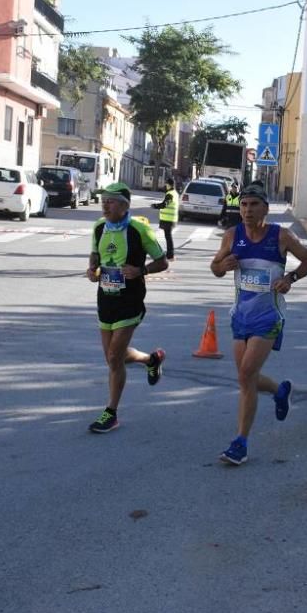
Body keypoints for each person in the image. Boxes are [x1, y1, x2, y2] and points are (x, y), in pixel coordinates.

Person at [210, 184, 307, 465]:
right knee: (247, 378)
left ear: (265, 209)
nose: (246, 210)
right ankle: (280, 390)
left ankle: (240, 443)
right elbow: (215, 268)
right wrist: (224, 266)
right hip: (240, 315)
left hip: (268, 316)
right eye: (243, 205)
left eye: (253, 205)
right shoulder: (233, 236)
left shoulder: (281, 236)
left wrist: (290, 279)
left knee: (246, 373)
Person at [86, 183, 169, 433]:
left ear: (124, 205)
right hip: (105, 299)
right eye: (104, 201)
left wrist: (140, 270)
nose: (105, 205)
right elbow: (94, 257)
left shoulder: (139, 229)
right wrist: (92, 270)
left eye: (110, 201)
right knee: (114, 357)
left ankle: (111, 412)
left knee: (114, 357)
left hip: (130, 300)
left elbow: (162, 261)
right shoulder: (99, 227)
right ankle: (150, 359)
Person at [150, 180, 178, 260]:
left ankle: (170, 255)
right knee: (168, 236)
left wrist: (155, 206)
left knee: (168, 237)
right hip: (170, 219)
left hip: (168, 219)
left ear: (169, 185)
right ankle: (170, 254)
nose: (165, 186)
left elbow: (164, 204)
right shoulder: (174, 193)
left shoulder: (170, 194)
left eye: (166, 184)